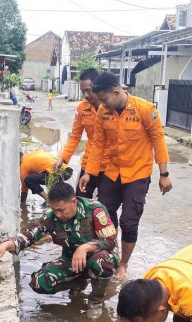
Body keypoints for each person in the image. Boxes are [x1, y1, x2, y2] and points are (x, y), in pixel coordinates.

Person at [79, 72, 171, 280]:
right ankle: (111, 251)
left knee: (129, 221)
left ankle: (123, 264)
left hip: (137, 174)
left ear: (116, 91)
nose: (101, 104)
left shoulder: (145, 110)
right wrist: (88, 173)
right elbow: (98, 144)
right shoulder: (104, 112)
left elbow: (159, 141)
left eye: (104, 99)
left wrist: (164, 174)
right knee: (104, 216)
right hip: (112, 172)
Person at [0, 182, 118, 318]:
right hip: (70, 259)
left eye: (61, 210)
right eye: (54, 209)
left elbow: (110, 241)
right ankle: (79, 280)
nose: (57, 214)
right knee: (39, 282)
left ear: (73, 202)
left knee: (102, 261)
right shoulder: (50, 217)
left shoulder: (95, 209)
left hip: (98, 256)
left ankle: (95, 301)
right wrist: (6, 244)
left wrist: (85, 248)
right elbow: (30, 235)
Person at [52, 68, 108, 198]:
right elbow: (75, 136)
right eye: (83, 91)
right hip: (88, 162)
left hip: (108, 166)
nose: (86, 95)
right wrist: (63, 157)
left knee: (107, 207)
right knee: (80, 200)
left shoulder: (110, 106)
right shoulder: (81, 108)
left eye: (89, 90)